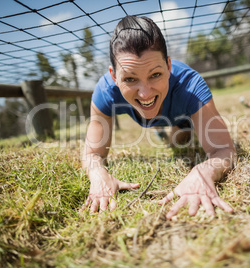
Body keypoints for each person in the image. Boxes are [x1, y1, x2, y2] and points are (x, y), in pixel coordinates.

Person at [81, 16, 236, 220]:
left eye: (155, 75)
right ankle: (159, 127)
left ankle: (168, 129)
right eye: (129, 79)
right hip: (153, 111)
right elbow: (92, 153)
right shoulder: (105, 91)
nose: (145, 93)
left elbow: (224, 150)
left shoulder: (190, 86)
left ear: (169, 66)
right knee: (162, 126)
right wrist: (97, 174)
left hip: (180, 117)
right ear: (113, 76)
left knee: (179, 139)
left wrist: (204, 172)